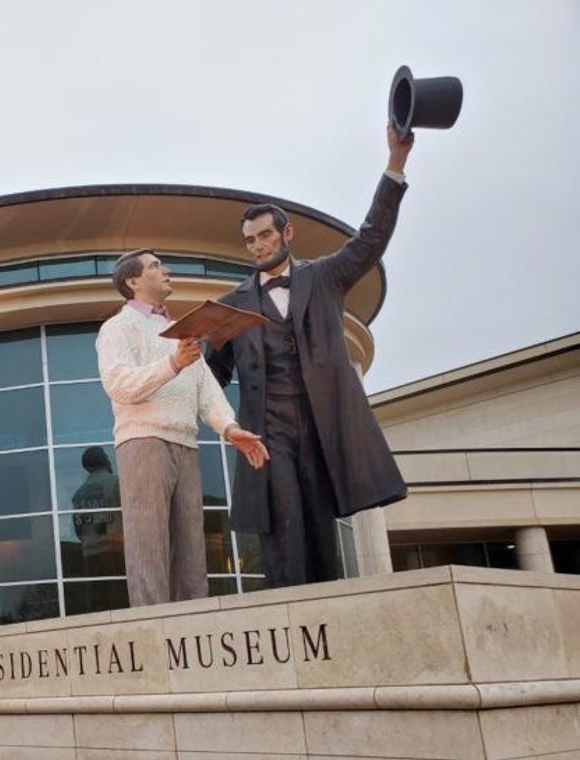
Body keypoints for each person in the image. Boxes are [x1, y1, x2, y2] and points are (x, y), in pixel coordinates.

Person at [205, 123, 414, 588]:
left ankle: (330, 623)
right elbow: (210, 377)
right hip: (268, 432)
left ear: (287, 233)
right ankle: (287, 618)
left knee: (321, 534)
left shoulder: (324, 278)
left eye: (265, 236)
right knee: (283, 530)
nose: (258, 246)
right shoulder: (232, 304)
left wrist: (395, 164)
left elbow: (370, 238)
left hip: (322, 427)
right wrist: (185, 363)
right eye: (250, 240)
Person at [96, 250, 268, 606]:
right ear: (133, 282)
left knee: (191, 550)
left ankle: (195, 628)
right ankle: (152, 630)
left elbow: (206, 389)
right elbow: (119, 384)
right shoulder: (118, 327)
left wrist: (229, 427)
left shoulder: (179, 331)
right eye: (156, 266)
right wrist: (172, 363)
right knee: (148, 546)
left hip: (186, 444)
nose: (166, 270)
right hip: (143, 442)